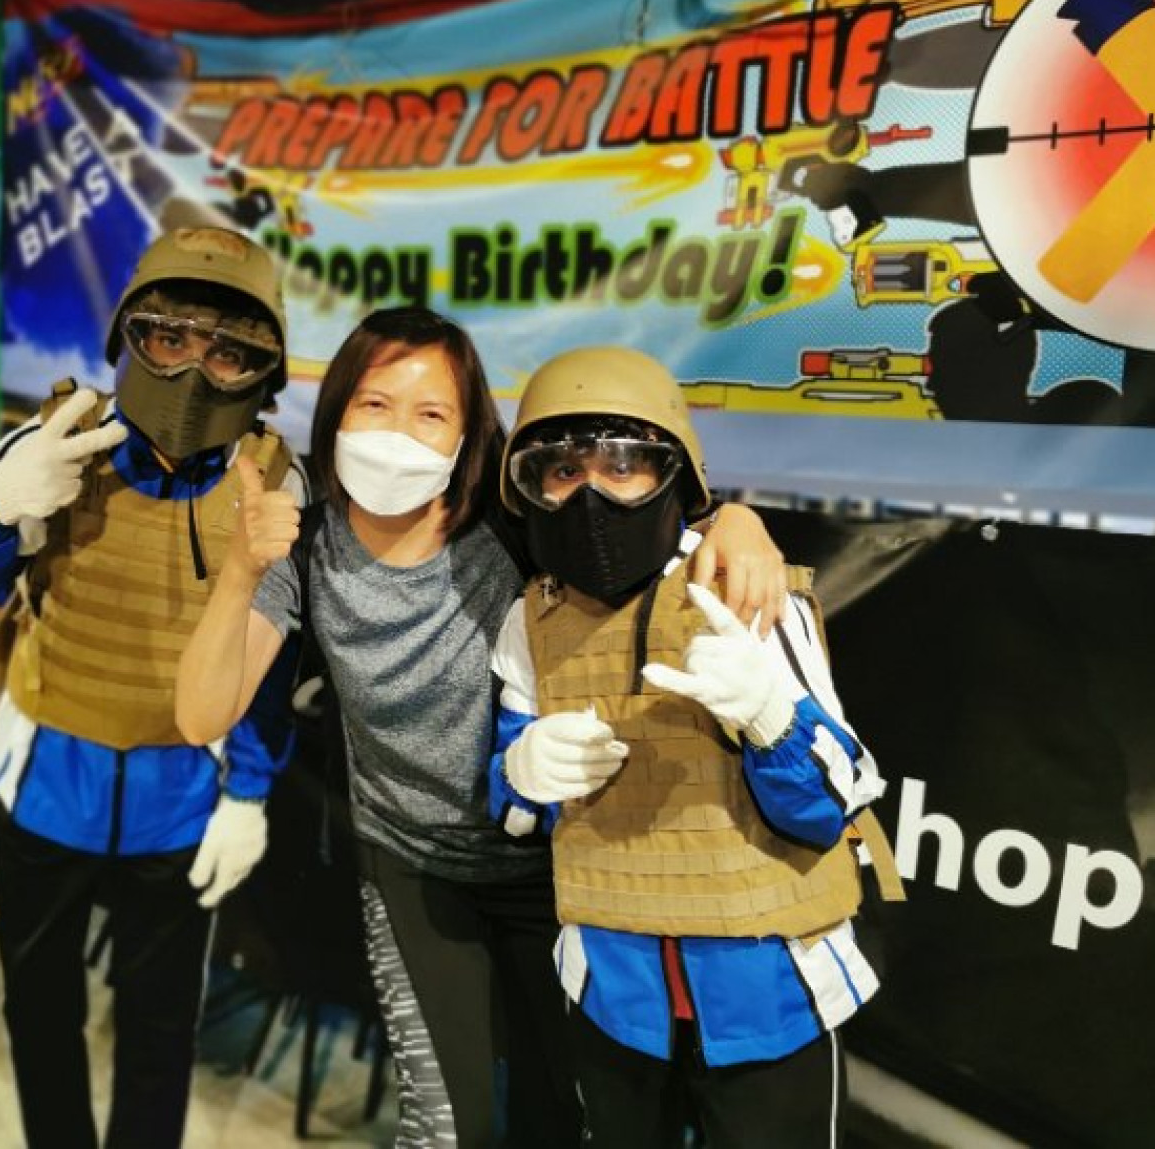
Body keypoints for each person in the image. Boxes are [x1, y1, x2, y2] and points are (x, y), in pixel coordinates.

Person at [174, 307, 789, 1146]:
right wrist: (242, 571)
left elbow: (642, 523)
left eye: (430, 413)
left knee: (561, 1118)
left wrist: (735, 521)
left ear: (467, 439)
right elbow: (200, 713)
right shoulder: (305, 541)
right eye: (374, 404)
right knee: (443, 1126)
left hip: (557, 870)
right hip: (411, 868)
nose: (397, 433)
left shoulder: (512, 526)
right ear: (338, 412)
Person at [0, 226, 303, 1149]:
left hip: (179, 798)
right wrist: (0, 504)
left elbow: (271, 662)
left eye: (228, 352)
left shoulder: (272, 483)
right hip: (46, 783)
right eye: (169, 338)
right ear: (129, 337)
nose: (193, 371)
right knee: (40, 1013)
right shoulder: (56, 446)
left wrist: (247, 792)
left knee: (160, 1028)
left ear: (262, 372)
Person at [487, 345, 903, 1147]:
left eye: (622, 464)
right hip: (612, 988)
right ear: (530, 488)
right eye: (562, 470)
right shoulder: (530, 620)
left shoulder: (741, 590)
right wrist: (521, 771)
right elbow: (513, 813)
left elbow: (835, 802)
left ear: (670, 472)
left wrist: (774, 720)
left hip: (768, 989)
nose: (591, 493)